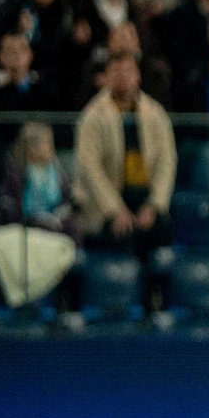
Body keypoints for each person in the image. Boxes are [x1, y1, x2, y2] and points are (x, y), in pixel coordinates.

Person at [74, 51, 177, 283]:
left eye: (128, 71)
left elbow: (166, 163)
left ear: (138, 76)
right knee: (123, 233)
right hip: (107, 203)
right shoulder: (92, 116)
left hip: (144, 197)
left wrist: (154, 205)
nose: (122, 77)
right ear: (106, 77)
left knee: (162, 229)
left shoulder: (156, 113)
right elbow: (89, 168)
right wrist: (115, 209)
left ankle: (157, 301)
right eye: (116, 71)